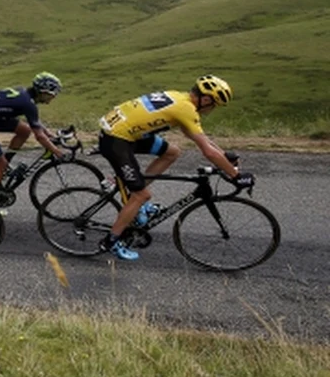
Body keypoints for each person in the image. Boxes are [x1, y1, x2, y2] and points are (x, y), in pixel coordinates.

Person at [96, 74, 253, 260]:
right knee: (142, 195)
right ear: (205, 99)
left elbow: (195, 135)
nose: (212, 109)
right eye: (214, 104)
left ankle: (134, 194)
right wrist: (235, 175)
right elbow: (207, 152)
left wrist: (224, 155)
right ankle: (112, 241)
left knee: (172, 152)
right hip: (117, 140)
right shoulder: (185, 108)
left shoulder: (180, 97)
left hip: (126, 133)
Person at [0, 72, 68, 204]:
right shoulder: (28, 103)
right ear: (43, 92)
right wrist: (57, 151)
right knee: (0, 163)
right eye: (53, 93)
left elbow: (35, 123)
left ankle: (5, 165)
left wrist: (49, 134)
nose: (54, 97)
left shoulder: (27, 95)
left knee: (24, 130)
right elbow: (39, 136)